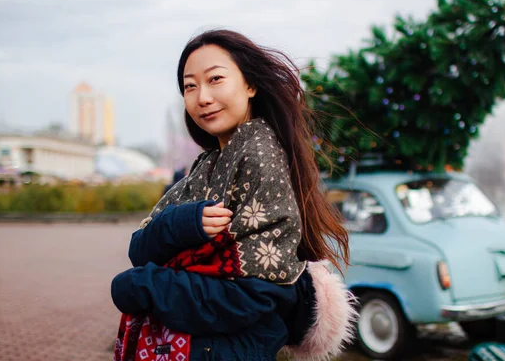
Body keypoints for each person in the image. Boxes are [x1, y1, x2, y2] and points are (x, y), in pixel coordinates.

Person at [111, 29, 356, 361]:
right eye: (190, 86)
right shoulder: (207, 167)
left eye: (215, 79)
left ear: (250, 85)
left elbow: (254, 295)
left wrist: (144, 287)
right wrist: (181, 223)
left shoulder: (260, 156)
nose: (202, 97)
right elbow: (139, 248)